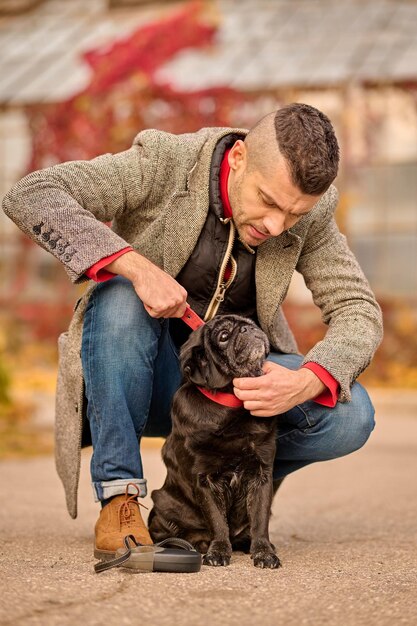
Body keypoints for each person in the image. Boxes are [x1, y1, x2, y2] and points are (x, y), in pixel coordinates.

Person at [3, 103, 383, 560]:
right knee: (120, 294)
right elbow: (34, 193)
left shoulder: (312, 214)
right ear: (238, 158)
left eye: (294, 215)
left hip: (236, 395)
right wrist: (136, 266)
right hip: (147, 375)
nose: (276, 226)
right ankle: (120, 497)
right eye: (268, 201)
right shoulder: (165, 162)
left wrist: (305, 381)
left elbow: (358, 308)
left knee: (352, 414)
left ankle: (235, 487)